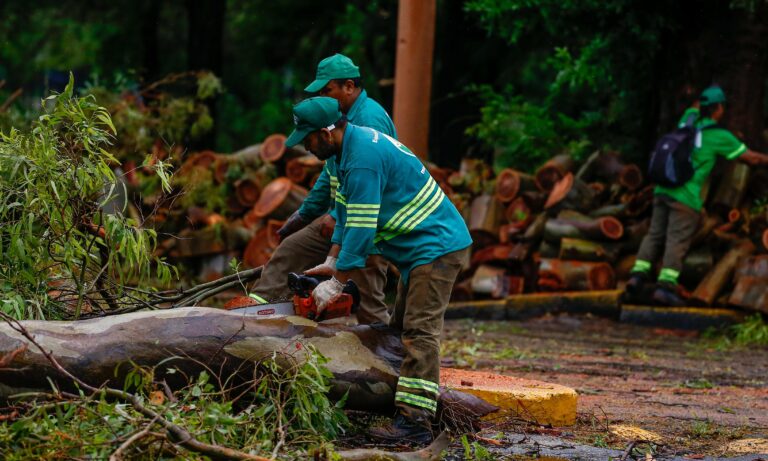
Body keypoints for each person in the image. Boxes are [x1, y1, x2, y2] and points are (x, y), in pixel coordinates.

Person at [284, 96, 471, 442]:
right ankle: (397, 403)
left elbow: (362, 225)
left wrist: (338, 283)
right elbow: (342, 211)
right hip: (417, 251)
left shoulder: (362, 160)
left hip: (436, 246)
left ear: (327, 132)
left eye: (308, 139)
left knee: (418, 333)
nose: (306, 147)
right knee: (399, 330)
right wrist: (331, 260)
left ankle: (414, 424)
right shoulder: (342, 156)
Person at [248, 53, 396, 325]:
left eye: (328, 91)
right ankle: (252, 315)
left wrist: (338, 224)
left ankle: (385, 353)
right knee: (292, 249)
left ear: (349, 86)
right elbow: (330, 175)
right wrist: (305, 214)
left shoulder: (368, 120)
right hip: (342, 212)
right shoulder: (335, 121)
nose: (324, 98)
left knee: (364, 292)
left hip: (368, 220)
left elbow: (368, 190)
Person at [627, 85, 768, 306]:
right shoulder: (719, 136)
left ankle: (636, 277)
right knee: (677, 240)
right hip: (686, 197)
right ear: (719, 108)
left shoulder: (687, 120)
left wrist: (700, 102)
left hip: (662, 189)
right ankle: (665, 287)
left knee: (654, 235)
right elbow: (751, 159)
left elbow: (693, 107)